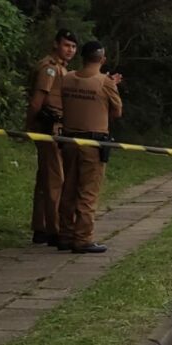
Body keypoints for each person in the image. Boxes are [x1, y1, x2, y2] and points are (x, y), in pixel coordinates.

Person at [57, 41, 122, 254]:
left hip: (68, 141)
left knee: (68, 189)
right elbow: (117, 111)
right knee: (88, 192)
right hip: (93, 144)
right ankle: (83, 238)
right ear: (102, 60)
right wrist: (112, 86)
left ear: (82, 57)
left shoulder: (66, 78)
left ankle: (65, 234)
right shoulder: (104, 82)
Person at [27, 29, 78, 246]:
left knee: (45, 178)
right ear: (56, 44)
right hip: (49, 127)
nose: (70, 50)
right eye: (67, 45)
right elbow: (37, 102)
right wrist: (29, 126)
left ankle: (41, 227)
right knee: (56, 179)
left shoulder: (61, 69)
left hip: (56, 127)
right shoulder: (49, 68)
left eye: (74, 47)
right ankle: (54, 230)